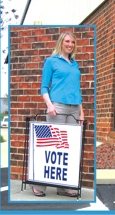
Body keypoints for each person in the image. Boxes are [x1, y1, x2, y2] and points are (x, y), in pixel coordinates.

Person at [30, 31, 84, 197]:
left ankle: (64, 186)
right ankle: (39, 185)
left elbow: (76, 89)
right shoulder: (51, 61)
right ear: (61, 42)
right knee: (53, 146)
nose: (70, 44)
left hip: (74, 108)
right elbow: (44, 87)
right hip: (57, 107)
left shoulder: (74, 64)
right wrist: (49, 105)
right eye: (67, 41)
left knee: (70, 149)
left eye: (73, 42)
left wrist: (81, 112)